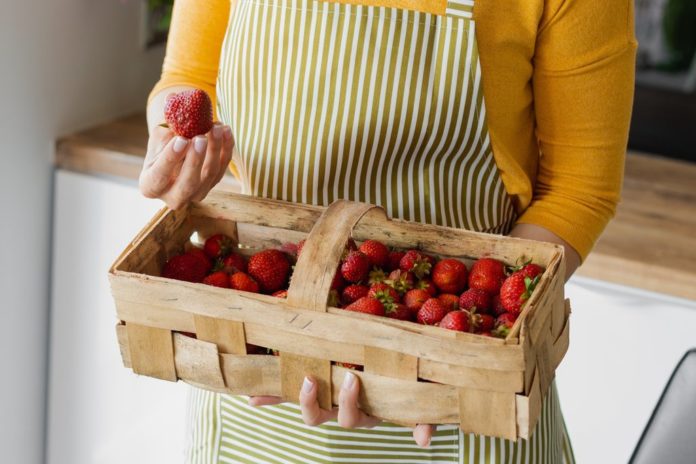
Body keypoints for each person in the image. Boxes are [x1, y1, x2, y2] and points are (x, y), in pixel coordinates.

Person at [139, 0, 636, 461]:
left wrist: (450, 352)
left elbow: (578, 189)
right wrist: (175, 147)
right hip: (255, 364)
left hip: (464, 387)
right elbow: (189, 80)